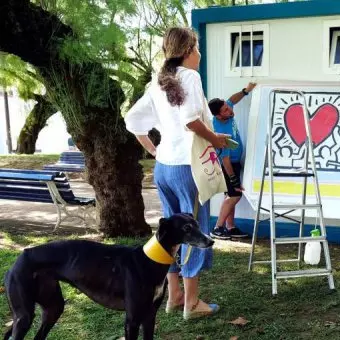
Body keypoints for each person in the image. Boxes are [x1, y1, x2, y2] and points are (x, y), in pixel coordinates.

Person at [124, 27, 230, 320]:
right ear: (187, 51)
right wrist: (215, 138)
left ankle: (174, 296)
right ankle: (192, 304)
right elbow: (190, 121)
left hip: (165, 169)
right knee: (195, 232)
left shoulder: (157, 83)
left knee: (169, 234)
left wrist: (155, 151)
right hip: (188, 168)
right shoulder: (190, 76)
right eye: (197, 49)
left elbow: (133, 120)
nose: (199, 55)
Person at [208, 82, 256, 240]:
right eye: (226, 110)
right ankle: (218, 228)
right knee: (235, 195)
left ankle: (231, 227)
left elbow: (232, 100)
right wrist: (234, 179)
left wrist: (246, 91)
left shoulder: (226, 109)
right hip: (227, 165)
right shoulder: (220, 130)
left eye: (228, 108)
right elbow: (225, 159)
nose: (230, 110)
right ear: (218, 115)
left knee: (230, 195)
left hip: (233, 162)